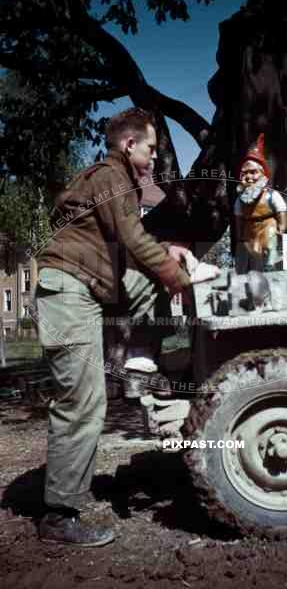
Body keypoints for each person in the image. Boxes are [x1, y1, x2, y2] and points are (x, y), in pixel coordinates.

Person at [33, 107, 219, 547]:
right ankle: (59, 516)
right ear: (128, 144)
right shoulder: (110, 175)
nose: (155, 157)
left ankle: (143, 358)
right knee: (83, 401)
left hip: (93, 281)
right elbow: (134, 240)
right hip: (69, 291)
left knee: (152, 282)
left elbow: (135, 246)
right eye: (151, 149)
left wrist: (170, 256)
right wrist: (182, 275)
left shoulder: (117, 181)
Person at [234, 133, 287, 273]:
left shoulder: (271, 195)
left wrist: (281, 226)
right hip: (249, 229)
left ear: (263, 175)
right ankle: (255, 272)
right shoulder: (240, 199)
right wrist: (239, 233)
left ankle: (270, 266)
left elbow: (281, 210)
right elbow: (238, 217)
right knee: (252, 253)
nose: (249, 177)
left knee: (270, 245)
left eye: (253, 172)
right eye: (244, 173)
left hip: (267, 224)